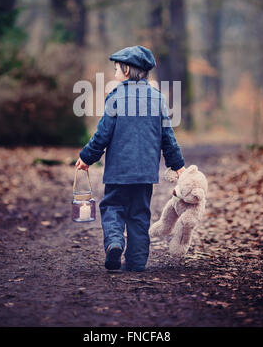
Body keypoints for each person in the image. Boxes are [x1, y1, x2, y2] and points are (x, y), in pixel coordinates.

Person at [76, 45, 185, 272]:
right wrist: (178, 166)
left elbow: (102, 134)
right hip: (145, 173)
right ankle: (136, 261)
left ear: (126, 71)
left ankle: (115, 242)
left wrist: (86, 157)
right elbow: (168, 136)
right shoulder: (158, 99)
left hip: (118, 171)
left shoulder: (115, 97)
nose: (115, 73)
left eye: (117, 69)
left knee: (113, 207)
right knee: (139, 214)